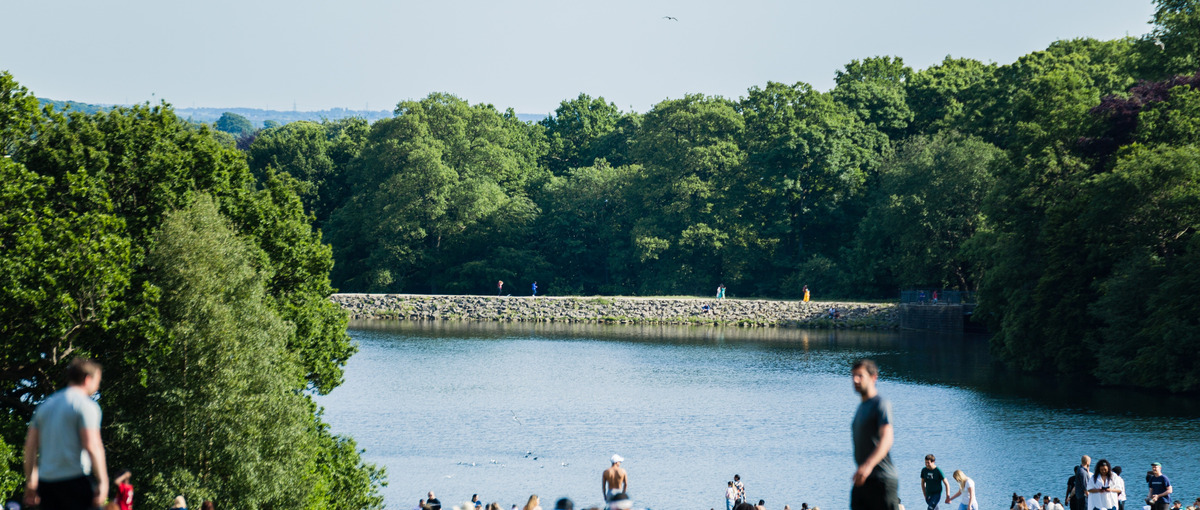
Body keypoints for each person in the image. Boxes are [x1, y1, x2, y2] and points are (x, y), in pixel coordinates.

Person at [23, 358, 109, 510]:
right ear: (87, 379)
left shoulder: (46, 405)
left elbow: (30, 446)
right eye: (98, 381)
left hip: (46, 483)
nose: (98, 386)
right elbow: (92, 445)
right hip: (74, 480)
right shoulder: (86, 405)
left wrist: (31, 481)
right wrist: (103, 481)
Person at [850, 359, 899, 510]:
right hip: (863, 479)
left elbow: (887, 438)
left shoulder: (880, 404)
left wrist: (867, 465)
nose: (855, 380)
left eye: (860, 376)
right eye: (853, 376)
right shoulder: (860, 408)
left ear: (873, 377)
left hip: (882, 480)